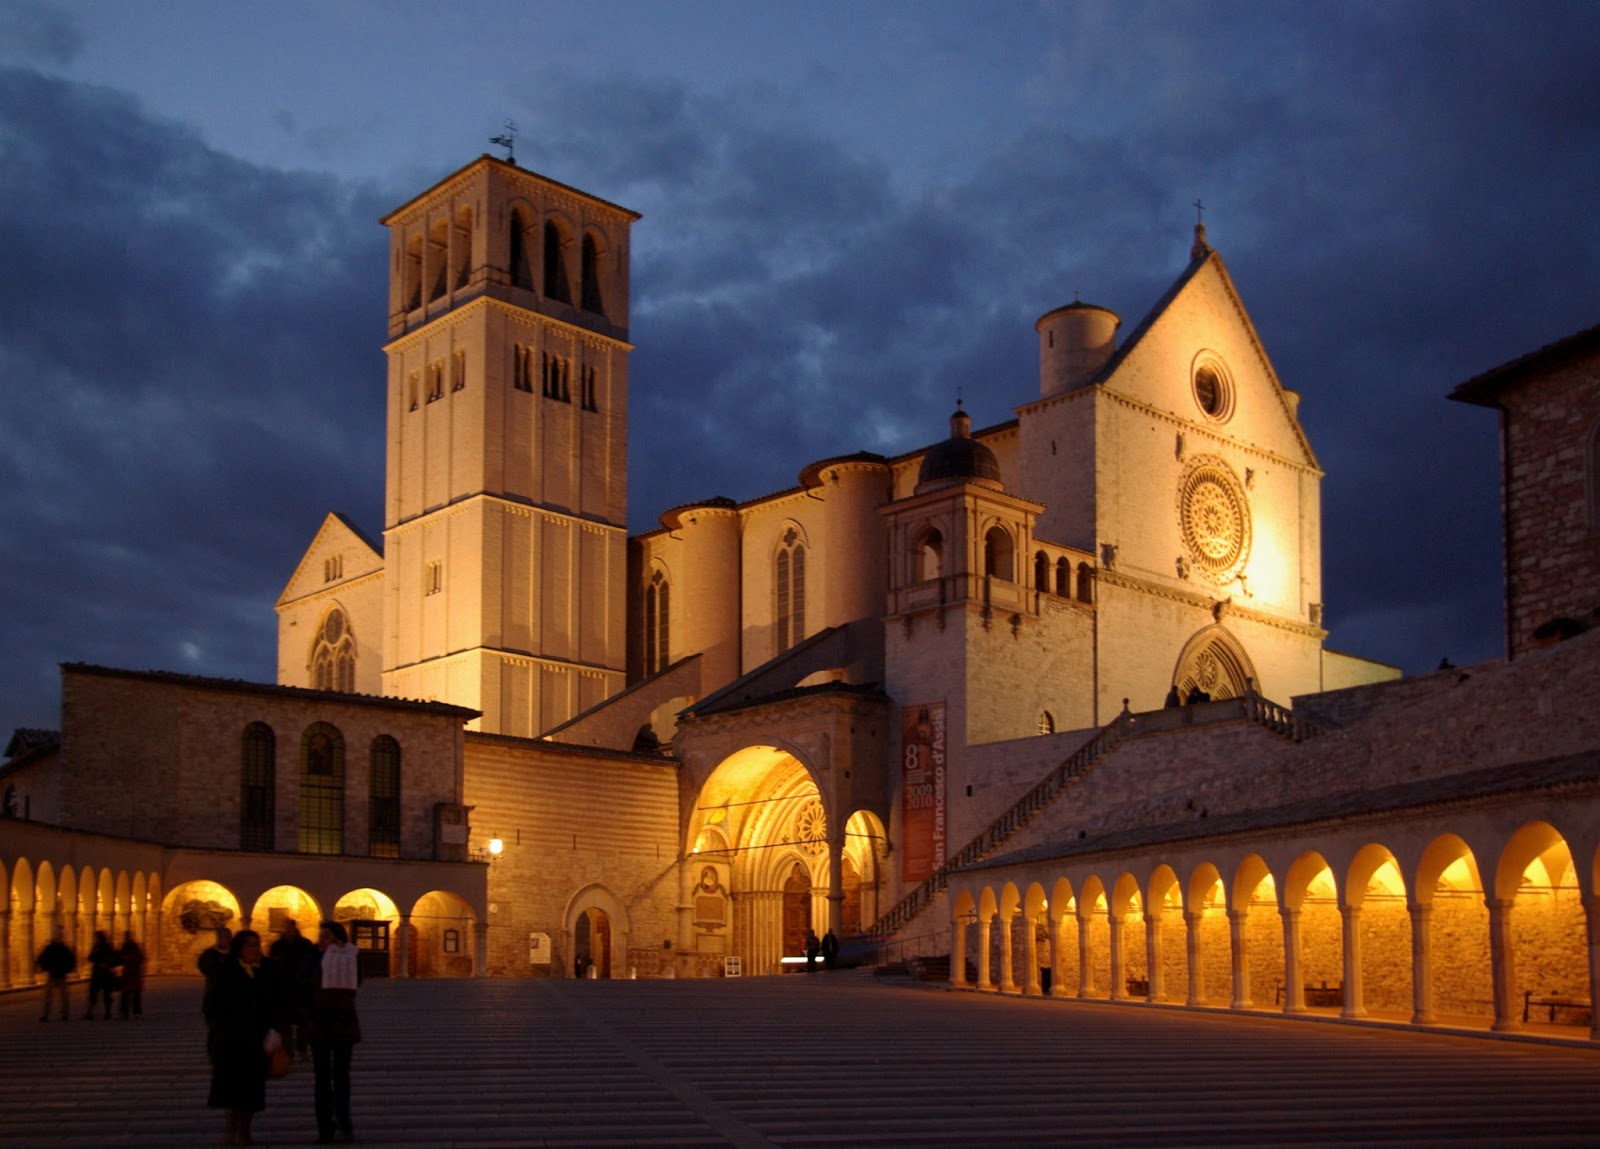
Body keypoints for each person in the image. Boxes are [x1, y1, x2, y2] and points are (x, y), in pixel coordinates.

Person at [206, 929, 286, 1147]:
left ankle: (245, 1131)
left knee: (251, 1088)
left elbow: (279, 1000)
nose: (256, 949)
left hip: (256, 1038)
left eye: (257, 944)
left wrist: (276, 1028)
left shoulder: (268, 969)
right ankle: (230, 1129)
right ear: (240, 948)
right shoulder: (226, 970)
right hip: (230, 1039)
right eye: (251, 945)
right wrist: (218, 1028)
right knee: (230, 1087)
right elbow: (212, 1004)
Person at [308, 921, 362, 1144]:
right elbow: (303, 988)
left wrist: (342, 957)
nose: (321, 940)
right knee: (321, 1077)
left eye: (326, 937)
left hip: (342, 1024)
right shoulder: (312, 960)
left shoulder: (348, 958)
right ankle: (324, 1125)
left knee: (341, 1074)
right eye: (320, 936)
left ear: (338, 940)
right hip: (319, 1025)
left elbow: (356, 983)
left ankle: (343, 1116)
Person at [269, 919, 317, 1058]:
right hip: (282, 991)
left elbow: (311, 966)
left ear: (295, 929)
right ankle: (288, 1051)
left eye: (291, 929)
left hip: (302, 990)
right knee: (284, 1025)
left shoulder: (305, 945)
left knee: (304, 1023)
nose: (289, 932)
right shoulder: (277, 946)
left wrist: (308, 982)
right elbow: (272, 967)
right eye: (287, 929)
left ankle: (302, 1049)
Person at [35, 927, 76, 1021]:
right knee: (48, 995)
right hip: (53, 973)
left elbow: (70, 960)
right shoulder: (51, 947)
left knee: (63, 995)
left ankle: (63, 1013)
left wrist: (66, 969)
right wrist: (45, 967)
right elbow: (42, 958)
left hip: (59, 974)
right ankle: (45, 1014)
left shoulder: (62, 948)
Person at [85, 930, 118, 1019]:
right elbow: (90, 957)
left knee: (103, 994)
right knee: (97, 994)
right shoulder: (103, 947)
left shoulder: (102, 947)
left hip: (102, 974)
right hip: (100, 973)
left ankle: (105, 1013)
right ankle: (95, 1013)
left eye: (96, 938)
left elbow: (113, 958)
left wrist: (105, 963)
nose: (95, 939)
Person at [117, 931, 146, 1019]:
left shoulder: (133, 946)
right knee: (128, 994)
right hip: (130, 973)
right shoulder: (126, 946)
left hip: (132, 973)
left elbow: (140, 958)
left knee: (132, 994)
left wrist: (128, 958)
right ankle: (127, 1013)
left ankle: (133, 1013)